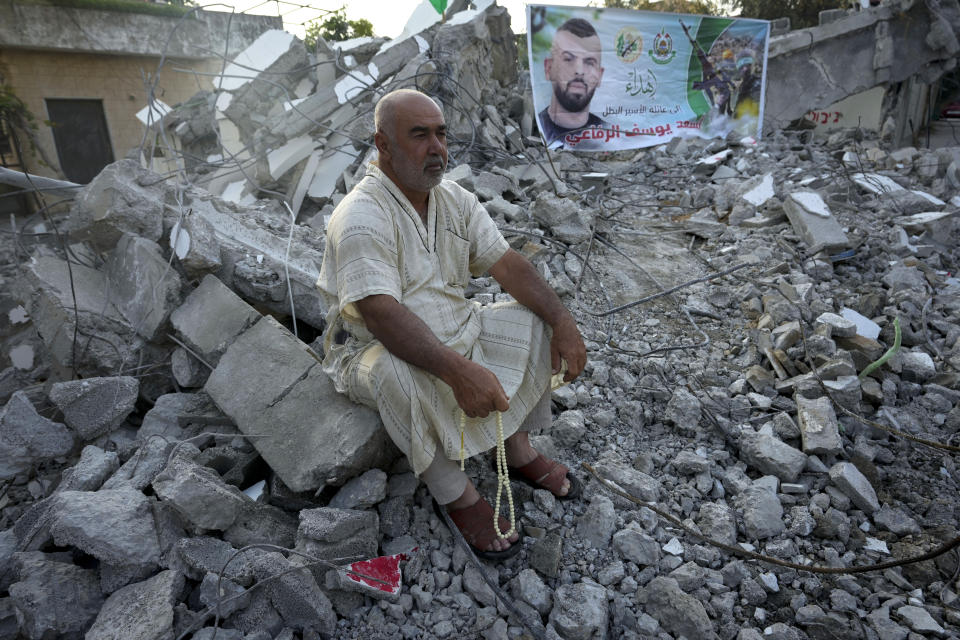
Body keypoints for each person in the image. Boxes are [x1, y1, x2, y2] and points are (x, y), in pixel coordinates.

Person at [317, 89, 587, 560]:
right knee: (390, 373)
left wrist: (563, 320)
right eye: (419, 135)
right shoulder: (361, 216)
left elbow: (507, 265)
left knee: (534, 319)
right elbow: (381, 315)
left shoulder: (452, 199)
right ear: (383, 145)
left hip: (458, 326)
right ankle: (458, 495)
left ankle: (518, 451)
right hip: (370, 347)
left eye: (441, 133)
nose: (437, 147)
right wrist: (459, 372)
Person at [538, 18, 606, 144]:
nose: (579, 71)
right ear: (548, 69)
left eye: (589, 62)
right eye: (568, 59)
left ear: (599, 76)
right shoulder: (535, 130)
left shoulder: (611, 133)